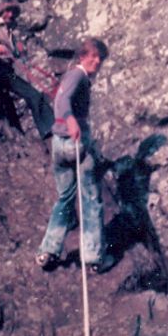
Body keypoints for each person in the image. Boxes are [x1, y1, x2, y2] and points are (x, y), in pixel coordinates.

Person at [35, 38, 114, 273]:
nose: (97, 61)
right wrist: (70, 120)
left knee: (65, 198)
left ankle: (48, 251)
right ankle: (93, 258)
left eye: (100, 58)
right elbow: (62, 101)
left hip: (59, 145)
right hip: (76, 142)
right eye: (93, 56)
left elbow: (60, 99)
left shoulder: (74, 77)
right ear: (82, 56)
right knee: (91, 200)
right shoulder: (77, 76)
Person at [0, 1, 53, 139]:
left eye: (13, 13)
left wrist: (21, 54)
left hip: (7, 70)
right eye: (8, 11)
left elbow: (16, 56)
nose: (10, 15)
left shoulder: (12, 34)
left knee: (33, 94)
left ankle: (49, 128)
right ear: (2, 12)